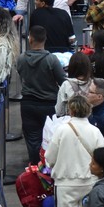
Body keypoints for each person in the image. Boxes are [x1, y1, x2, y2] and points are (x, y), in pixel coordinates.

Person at [44, 94, 104, 207]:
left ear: (71, 110)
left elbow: (49, 158)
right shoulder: (95, 131)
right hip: (91, 183)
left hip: (65, 184)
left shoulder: (61, 130)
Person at [16, 25, 66, 165]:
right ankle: (47, 166)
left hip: (28, 104)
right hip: (49, 104)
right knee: (50, 138)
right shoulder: (52, 60)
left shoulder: (21, 59)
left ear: (30, 39)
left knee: (32, 139)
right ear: (45, 39)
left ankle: (34, 166)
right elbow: (62, 81)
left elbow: (20, 74)